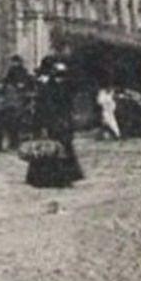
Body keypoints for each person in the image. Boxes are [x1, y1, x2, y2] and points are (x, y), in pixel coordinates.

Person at [24, 57, 84, 188]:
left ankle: (56, 177)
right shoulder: (48, 87)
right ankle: (53, 178)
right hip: (54, 121)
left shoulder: (57, 86)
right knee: (50, 149)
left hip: (56, 121)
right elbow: (43, 106)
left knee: (55, 149)